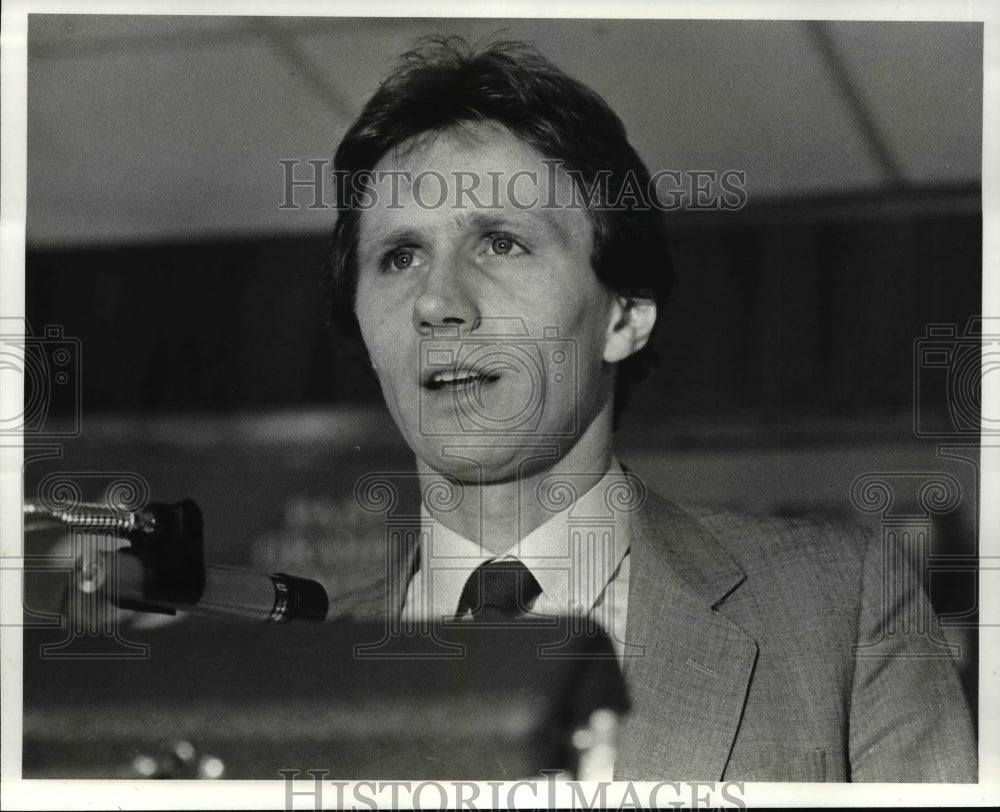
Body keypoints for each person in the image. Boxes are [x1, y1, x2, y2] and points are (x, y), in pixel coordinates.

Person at [324, 36, 976, 782]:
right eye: (399, 257)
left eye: (500, 243)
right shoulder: (292, 662)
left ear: (625, 317)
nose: (437, 303)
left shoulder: (843, 609)